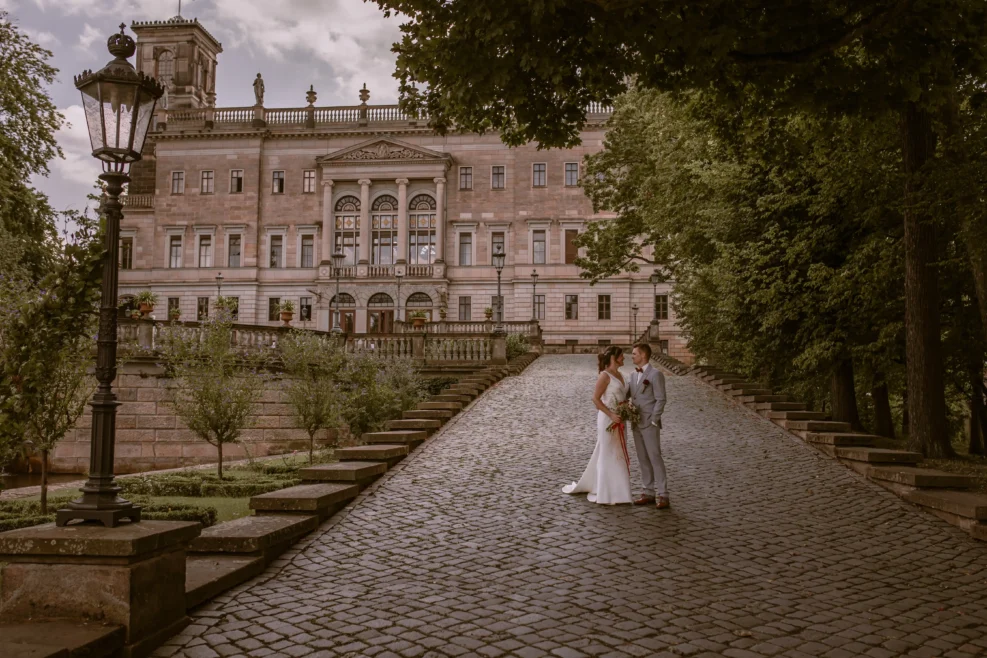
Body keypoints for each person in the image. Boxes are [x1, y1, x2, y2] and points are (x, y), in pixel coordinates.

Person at [563, 346, 634, 504]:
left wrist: (625, 410)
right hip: (608, 418)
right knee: (608, 453)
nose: (624, 358)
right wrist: (611, 414)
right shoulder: (605, 375)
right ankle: (605, 492)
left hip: (620, 418)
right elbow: (595, 399)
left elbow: (624, 395)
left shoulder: (621, 375)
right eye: (622, 356)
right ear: (614, 358)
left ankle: (620, 493)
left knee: (619, 453)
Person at [628, 343, 669, 508]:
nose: (632, 356)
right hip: (636, 423)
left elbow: (661, 398)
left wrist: (654, 419)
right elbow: (629, 395)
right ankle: (648, 492)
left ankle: (663, 494)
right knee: (642, 458)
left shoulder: (656, 374)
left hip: (650, 423)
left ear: (643, 355)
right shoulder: (632, 375)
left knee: (655, 457)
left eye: (634, 354)